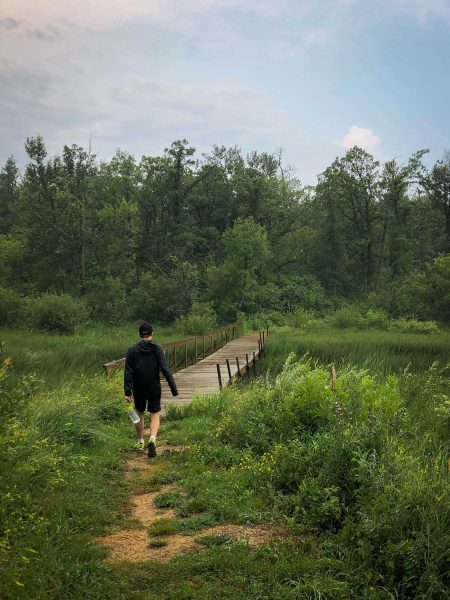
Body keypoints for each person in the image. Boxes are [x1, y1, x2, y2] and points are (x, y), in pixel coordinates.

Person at [124, 321, 178, 457]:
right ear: (152, 334)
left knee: (139, 413)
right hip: (153, 386)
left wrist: (127, 391)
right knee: (155, 413)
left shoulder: (132, 350)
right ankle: (153, 439)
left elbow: (128, 372)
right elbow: (165, 369)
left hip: (138, 387)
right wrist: (173, 388)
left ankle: (140, 441)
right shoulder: (157, 349)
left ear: (140, 334)